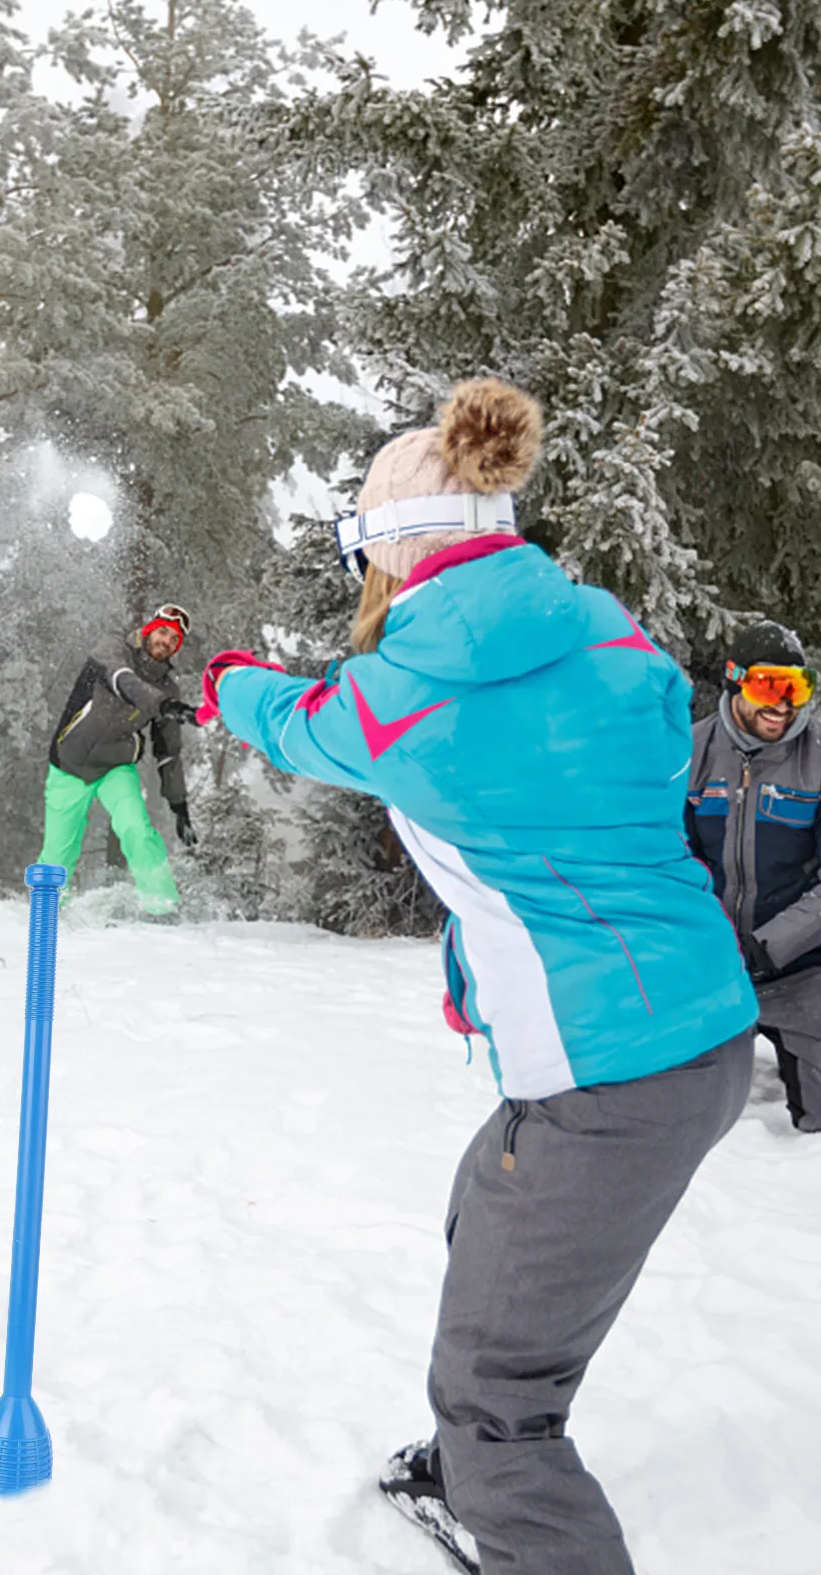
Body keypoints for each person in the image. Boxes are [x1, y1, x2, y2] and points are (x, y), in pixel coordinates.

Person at [198, 379, 758, 1575]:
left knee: (494, 1390)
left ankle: (498, 1480)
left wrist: (220, 682)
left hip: (612, 1068)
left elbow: (299, 722)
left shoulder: (403, 700)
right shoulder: (606, 628)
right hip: (694, 1032)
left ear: (390, 554)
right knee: (483, 1198)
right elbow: (661, 734)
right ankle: (472, 1472)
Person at [683, 620, 821, 1132]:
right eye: (767, 685)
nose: (783, 703)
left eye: (797, 687)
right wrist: (702, 946)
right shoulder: (688, 753)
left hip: (800, 965)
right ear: (735, 680)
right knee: (670, 1110)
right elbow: (661, 860)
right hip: (707, 965)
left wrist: (763, 949)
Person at [38, 604, 200, 916]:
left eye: (174, 640)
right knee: (59, 849)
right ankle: (47, 908)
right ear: (150, 629)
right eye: (163, 632)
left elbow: (169, 752)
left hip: (115, 767)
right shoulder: (112, 649)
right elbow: (123, 681)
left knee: (137, 830)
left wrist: (179, 806)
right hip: (69, 763)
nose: (166, 641)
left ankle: (162, 908)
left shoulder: (168, 688)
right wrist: (164, 705)